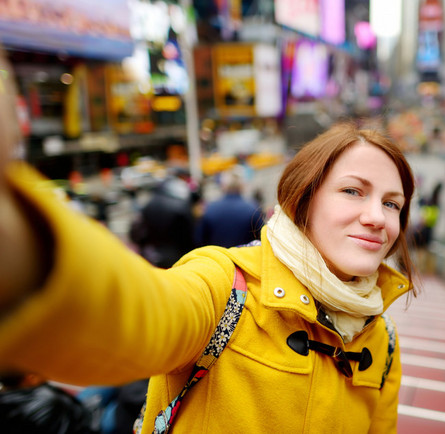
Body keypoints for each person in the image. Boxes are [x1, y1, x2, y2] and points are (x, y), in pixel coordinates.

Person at [0, 122, 417, 433]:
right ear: (303, 198)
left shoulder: (383, 339)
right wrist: (25, 250)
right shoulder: (224, 284)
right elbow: (139, 319)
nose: (376, 218)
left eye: (392, 204)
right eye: (352, 191)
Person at [195, 167, 265, 248]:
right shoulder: (253, 208)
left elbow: (199, 240)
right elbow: (261, 238)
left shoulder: (210, 208)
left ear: (223, 186)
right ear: (242, 186)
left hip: (217, 257)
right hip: (243, 257)